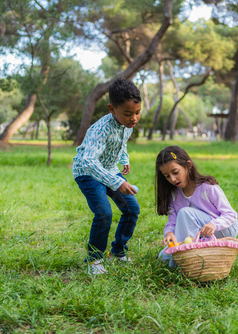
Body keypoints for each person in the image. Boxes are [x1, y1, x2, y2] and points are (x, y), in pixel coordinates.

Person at [73, 78, 142, 275]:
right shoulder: (100, 129)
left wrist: (124, 158)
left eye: (137, 112)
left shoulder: (126, 124)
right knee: (104, 213)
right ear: (112, 109)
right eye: (128, 114)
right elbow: (88, 161)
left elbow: (121, 143)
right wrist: (117, 181)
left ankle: (119, 251)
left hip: (109, 169)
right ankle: (94, 260)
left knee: (132, 209)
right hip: (87, 173)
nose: (134, 118)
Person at [155, 145, 238, 267]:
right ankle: (191, 253)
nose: (172, 179)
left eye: (175, 172)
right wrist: (169, 233)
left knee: (185, 213)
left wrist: (214, 224)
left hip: (222, 229)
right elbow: (172, 222)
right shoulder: (174, 194)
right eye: (167, 176)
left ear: (188, 166)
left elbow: (231, 214)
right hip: (199, 233)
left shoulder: (208, 188)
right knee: (163, 257)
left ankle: (189, 259)